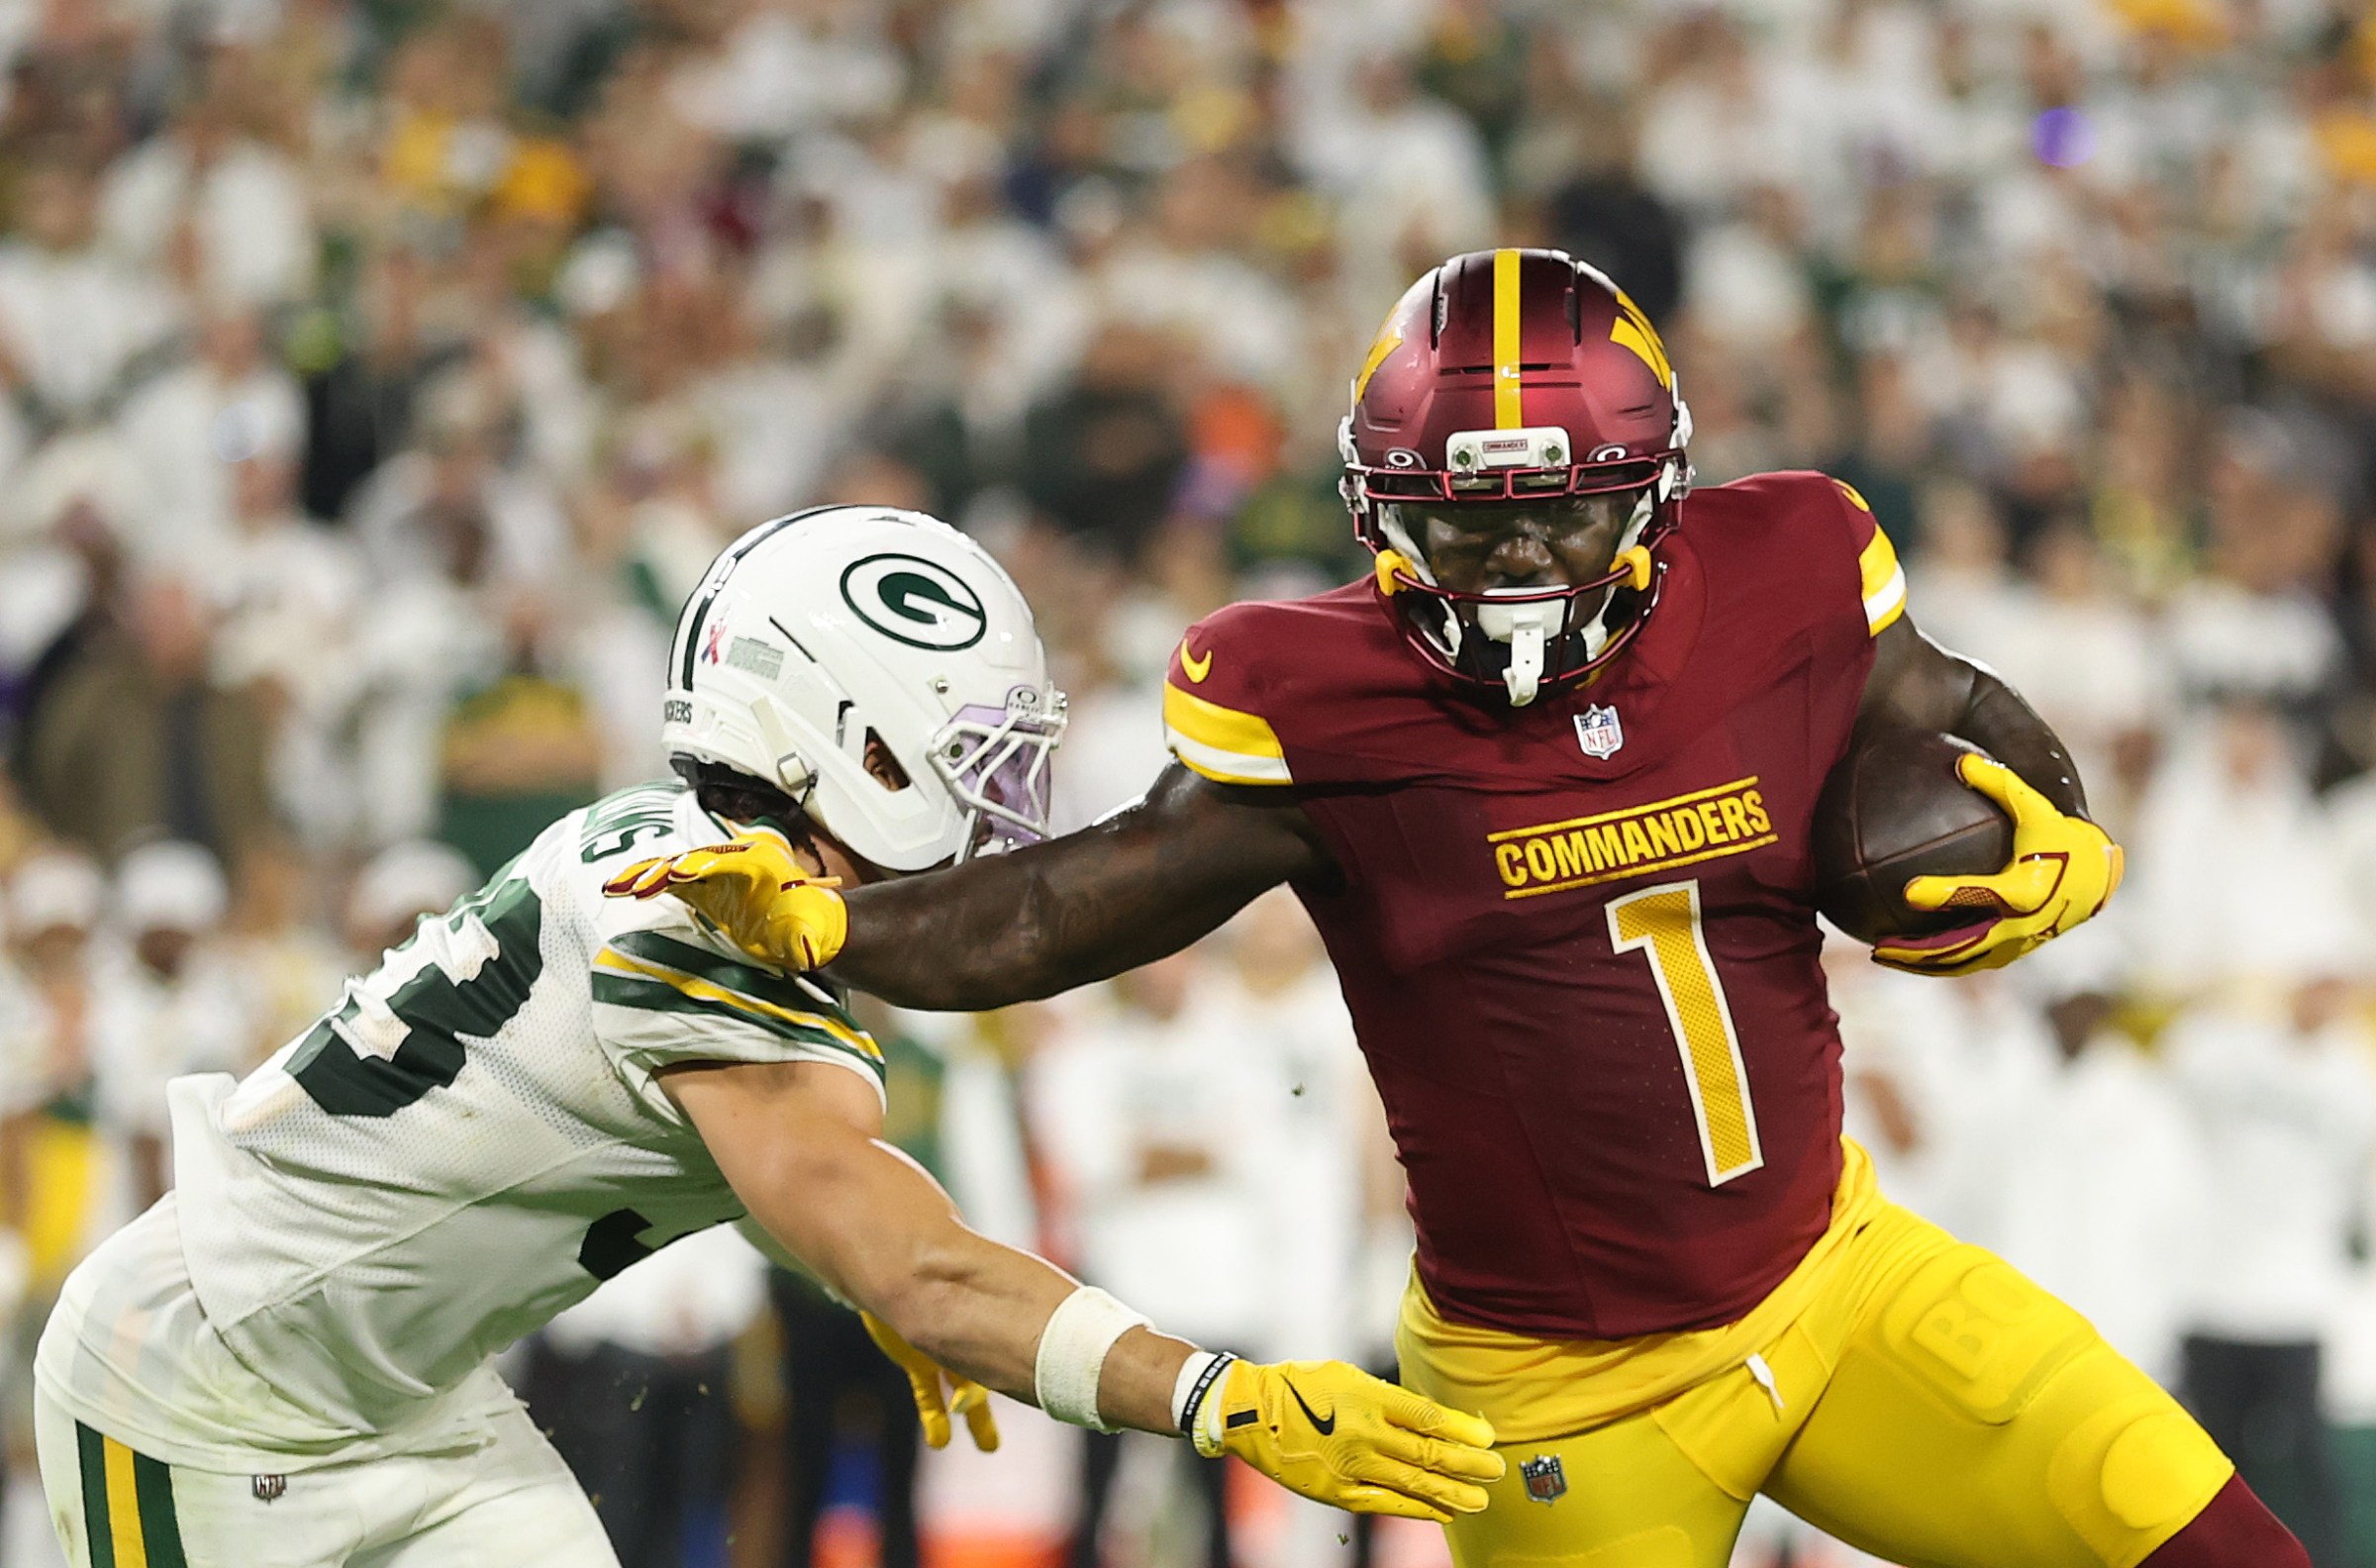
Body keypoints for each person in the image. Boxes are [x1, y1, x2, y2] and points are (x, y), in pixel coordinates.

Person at [619, 251, 2307, 1568]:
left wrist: (2069, 828)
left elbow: (1941, 692)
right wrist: (835, 934)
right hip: (1564, 1389)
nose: (1509, 569)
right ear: (1372, 504)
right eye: (1458, 519)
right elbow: (1076, 904)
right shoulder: (1313, 700)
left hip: (1845, 1280)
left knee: (2220, 1544)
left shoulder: (1787, 574)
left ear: (1653, 490)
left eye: (1557, 513)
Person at [32, 507, 1501, 1568]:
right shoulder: (701, 920)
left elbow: (696, 1135)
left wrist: (853, 1257)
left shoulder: (689, 860)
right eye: (969, 752)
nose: (999, 806)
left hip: (397, 1393)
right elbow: (922, 1267)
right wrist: (1217, 1394)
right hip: (204, 1390)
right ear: (845, 742)